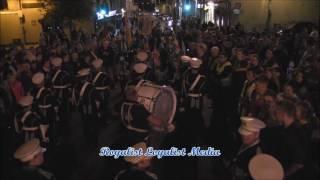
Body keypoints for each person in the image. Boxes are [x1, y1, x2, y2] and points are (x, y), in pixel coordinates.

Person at [274, 100, 308, 179]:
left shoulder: (296, 133)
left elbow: (299, 163)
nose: (275, 114)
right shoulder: (283, 129)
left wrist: (283, 176)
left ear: (283, 114)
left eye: (277, 112)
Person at [71, 68, 100, 147]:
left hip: (82, 109)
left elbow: (74, 99)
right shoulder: (91, 87)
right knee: (93, 125)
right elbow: (97, 99)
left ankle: (87, 141)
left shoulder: (76, 87)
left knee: (85, 124)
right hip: (92, 109)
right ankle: (94, 143)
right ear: (87, 77)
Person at [31, 72, 57, 145]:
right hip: (48, 112)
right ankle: (52, 143)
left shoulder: (33, 92)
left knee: (42, 130)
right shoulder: (47, 92)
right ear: (43, 82)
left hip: (38, 113)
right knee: (51, 129)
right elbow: (54, 102)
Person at [90, 58, 111, 123]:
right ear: (100, 66)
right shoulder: (104, 75)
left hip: (94, 92)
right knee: (104, 105)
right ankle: (105, 119)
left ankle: (97, 118)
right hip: (103, 93)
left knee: (96, 105)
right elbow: (110, 83)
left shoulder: (91, 74)